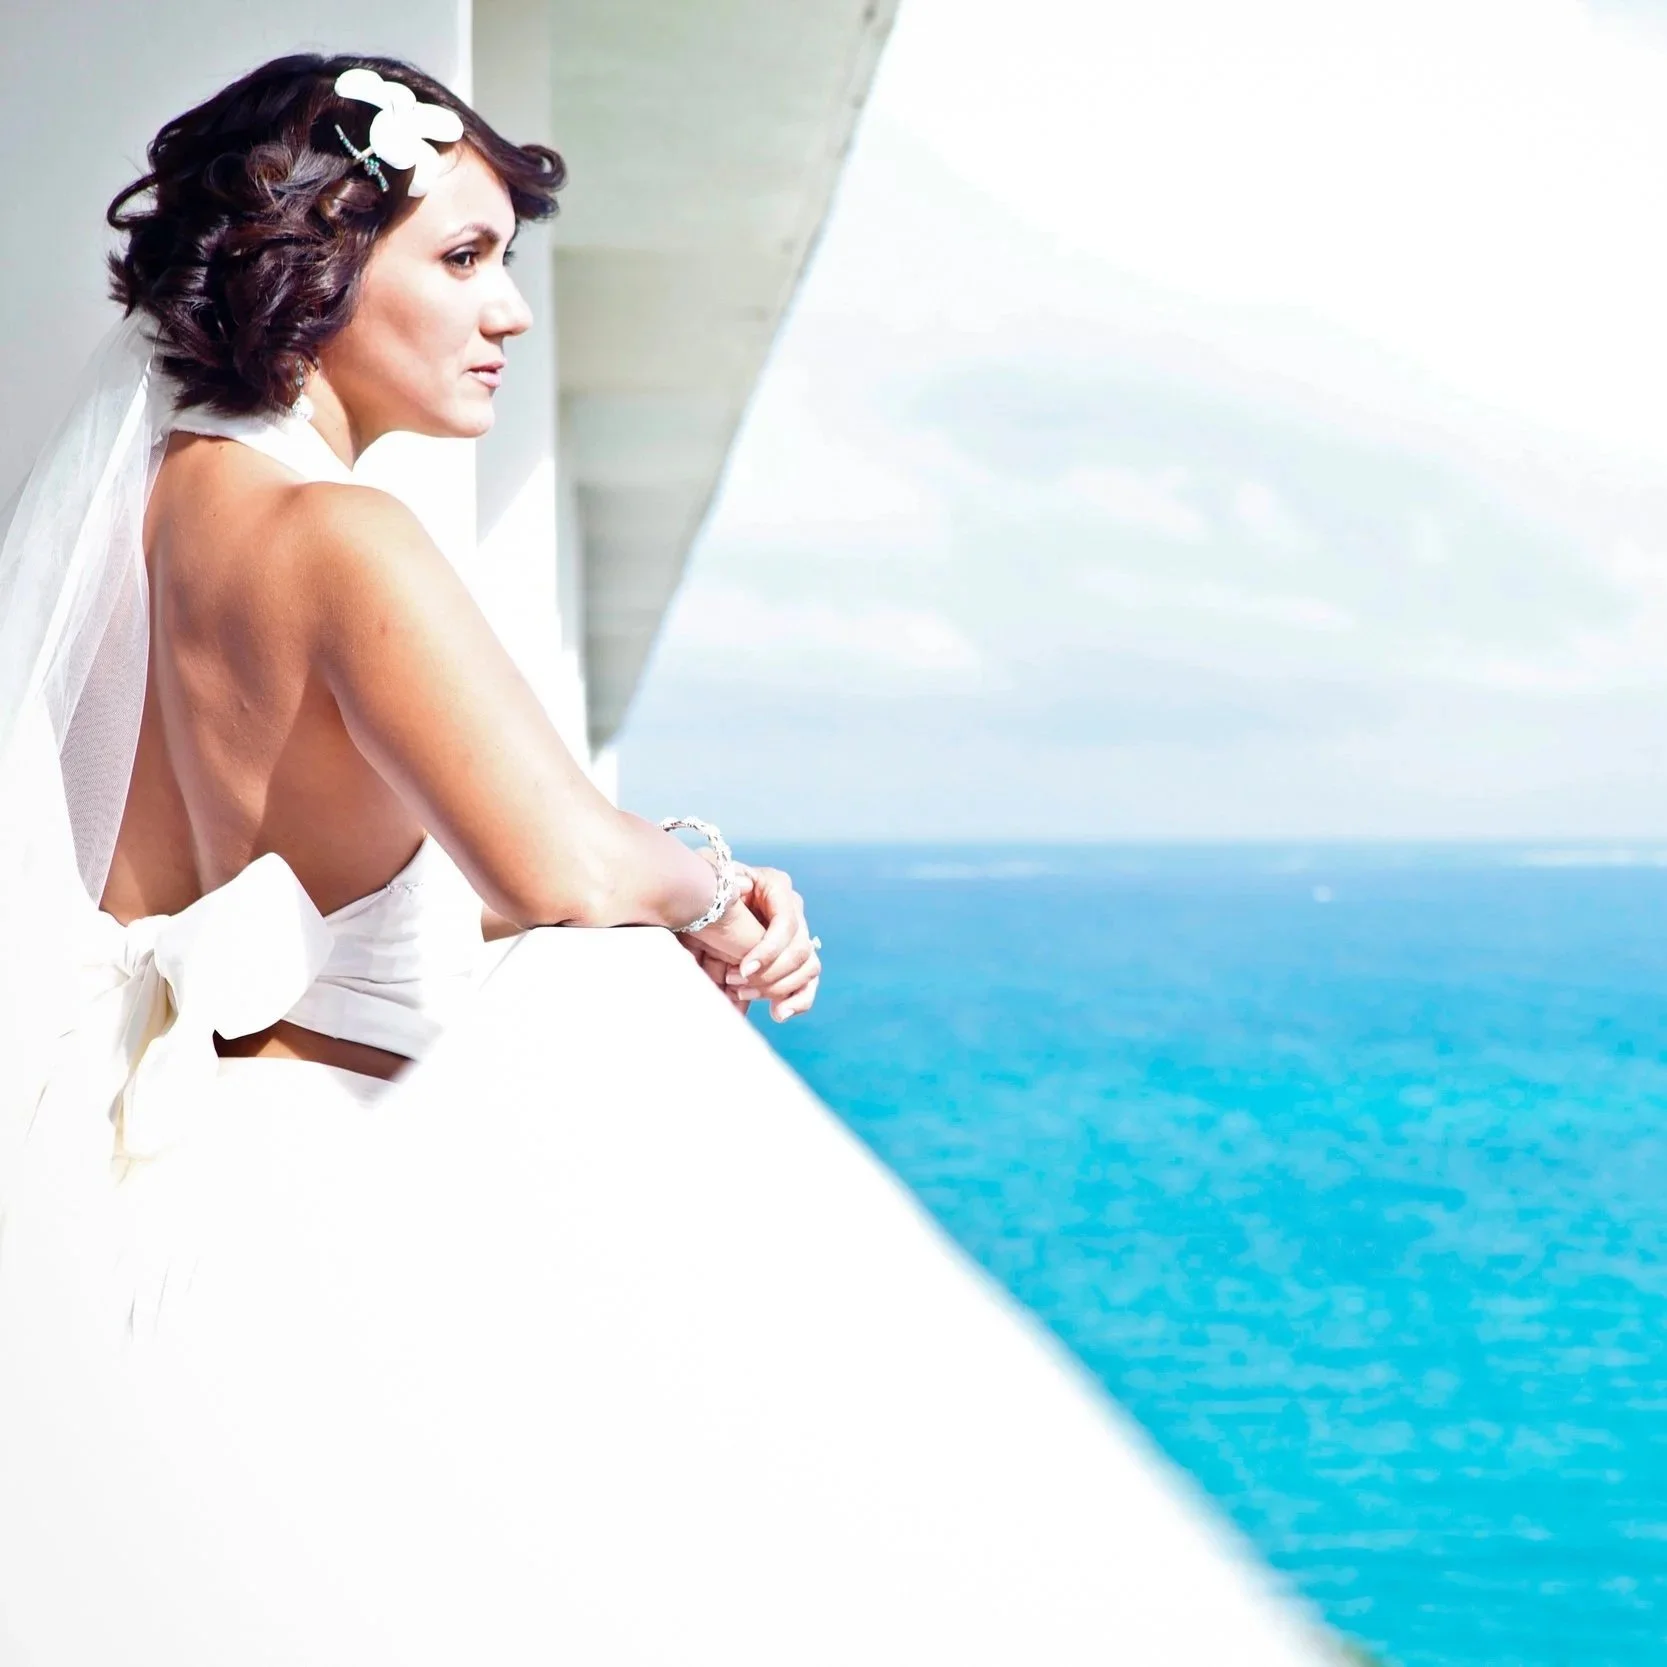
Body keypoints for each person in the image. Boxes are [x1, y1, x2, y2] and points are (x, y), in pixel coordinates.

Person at [0, 51, 1335, 1667]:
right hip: (330, 1237)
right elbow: (560, 865)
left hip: (163, 1201)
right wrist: (715, 883)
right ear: (319, 260)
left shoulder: (150, 517)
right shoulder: (343, 534)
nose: (510, 314)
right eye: (462, 258)